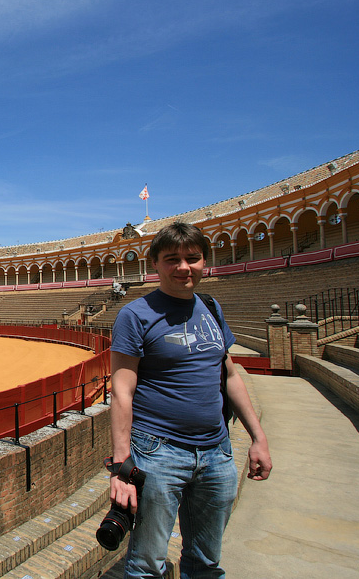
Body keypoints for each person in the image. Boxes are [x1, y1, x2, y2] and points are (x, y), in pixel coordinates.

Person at [108, 221, 272, 578]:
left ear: (203, 262)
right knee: (146, 565)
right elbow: (121, 391)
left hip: (217, 452)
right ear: (155, 263)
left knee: (206, 562)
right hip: (158, 452)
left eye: (192, 258)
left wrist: (258, 438)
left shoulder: (211, 307)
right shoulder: (135, 315)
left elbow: (229, 375)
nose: (183, 267)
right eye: (172, 259)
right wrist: (122, 468)